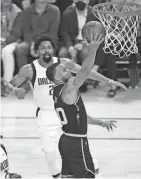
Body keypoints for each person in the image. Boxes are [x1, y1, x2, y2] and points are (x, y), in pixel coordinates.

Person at [3, 34, 126, 178]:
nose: (46, 50)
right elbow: (6, 87)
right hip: (46, 115)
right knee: (51, 155)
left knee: (79, 150)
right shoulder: (29, 69)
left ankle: (93, 173)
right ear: (36, 51)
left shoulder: (63, 64)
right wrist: (14, 90)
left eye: (49, 47)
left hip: (63, 111)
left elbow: (85, 72)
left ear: (53, 50)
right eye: (42, 48)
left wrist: (108, 80)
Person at [46, 35, 117, 178]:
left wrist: (101, 123)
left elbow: (80, 117)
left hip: (66, 141)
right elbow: (84, 71)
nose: (69, 71)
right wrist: (92, 51)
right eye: (64, 70)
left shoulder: (56, 91)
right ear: (58, 78)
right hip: (76, 143)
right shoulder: (69, 88)